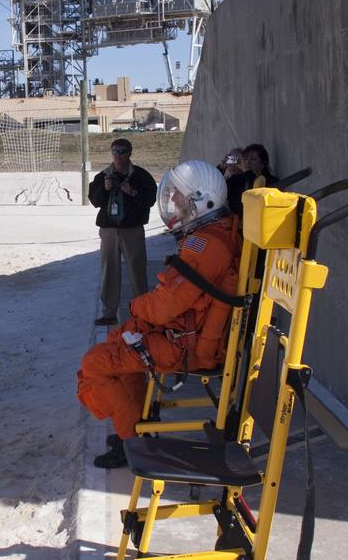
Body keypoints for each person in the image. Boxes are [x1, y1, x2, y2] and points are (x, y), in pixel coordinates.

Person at [77, 160, 241, 468]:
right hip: (184, 334)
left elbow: (166, 306)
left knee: (94, 366)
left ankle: (131, 441)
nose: (175, 203)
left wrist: (138, 306)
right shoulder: (217, 235)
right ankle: (136, 428)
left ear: (201, 200)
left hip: (186, 345)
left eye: (179, 196)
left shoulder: (206, 246)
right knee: (119, 350)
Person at [88, 138, 157, 326]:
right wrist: (104, 189)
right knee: (109, 270)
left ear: (130, 153)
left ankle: (142, 312)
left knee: (137, 271)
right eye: (115, 152)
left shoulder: (141, 176)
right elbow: (94, 200)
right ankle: (109, 313)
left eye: (123, 151)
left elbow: (150, 199)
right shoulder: (103, 176)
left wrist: (132, 191)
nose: (118, 156)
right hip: (109, 231)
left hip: (132, 230)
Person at [218, 146, 246, 213]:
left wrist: (221, 168)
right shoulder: (230, 177)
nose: (233, 161)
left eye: (236, 158)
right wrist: (222, 166)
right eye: (230, 157)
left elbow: (218, 188)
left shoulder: (240, 178)